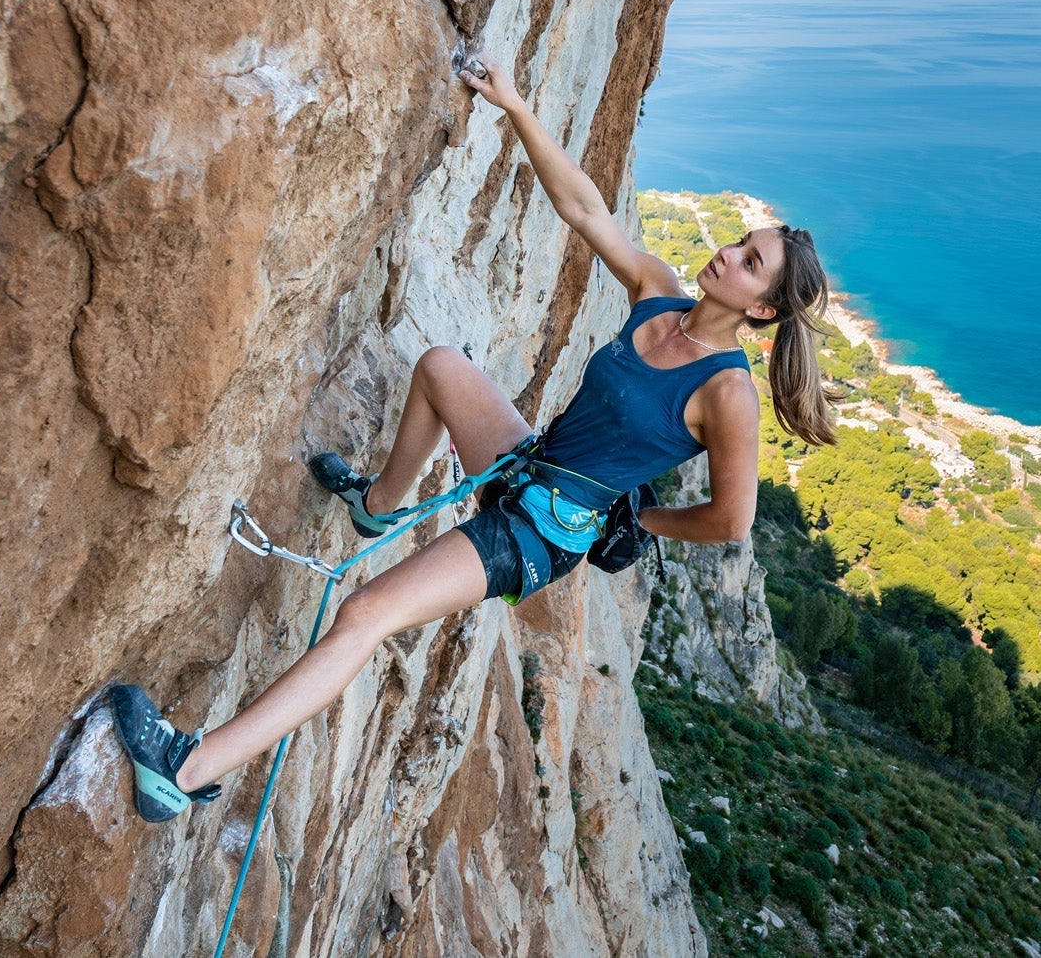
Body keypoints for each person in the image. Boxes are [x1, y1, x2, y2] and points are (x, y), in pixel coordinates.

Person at [110, 48, 837, 821]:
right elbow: (586, 208)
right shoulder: (660, 296)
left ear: (762, 308)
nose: (726, 252)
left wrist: (639, 519)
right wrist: (515, 104)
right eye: (739, 242)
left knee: (365, 614)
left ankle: (184, 771)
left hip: (538, 535)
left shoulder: (726, 393)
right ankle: (379, 506)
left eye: (748, 261)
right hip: (531, 464)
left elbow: (733, 519)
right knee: (440, 367)